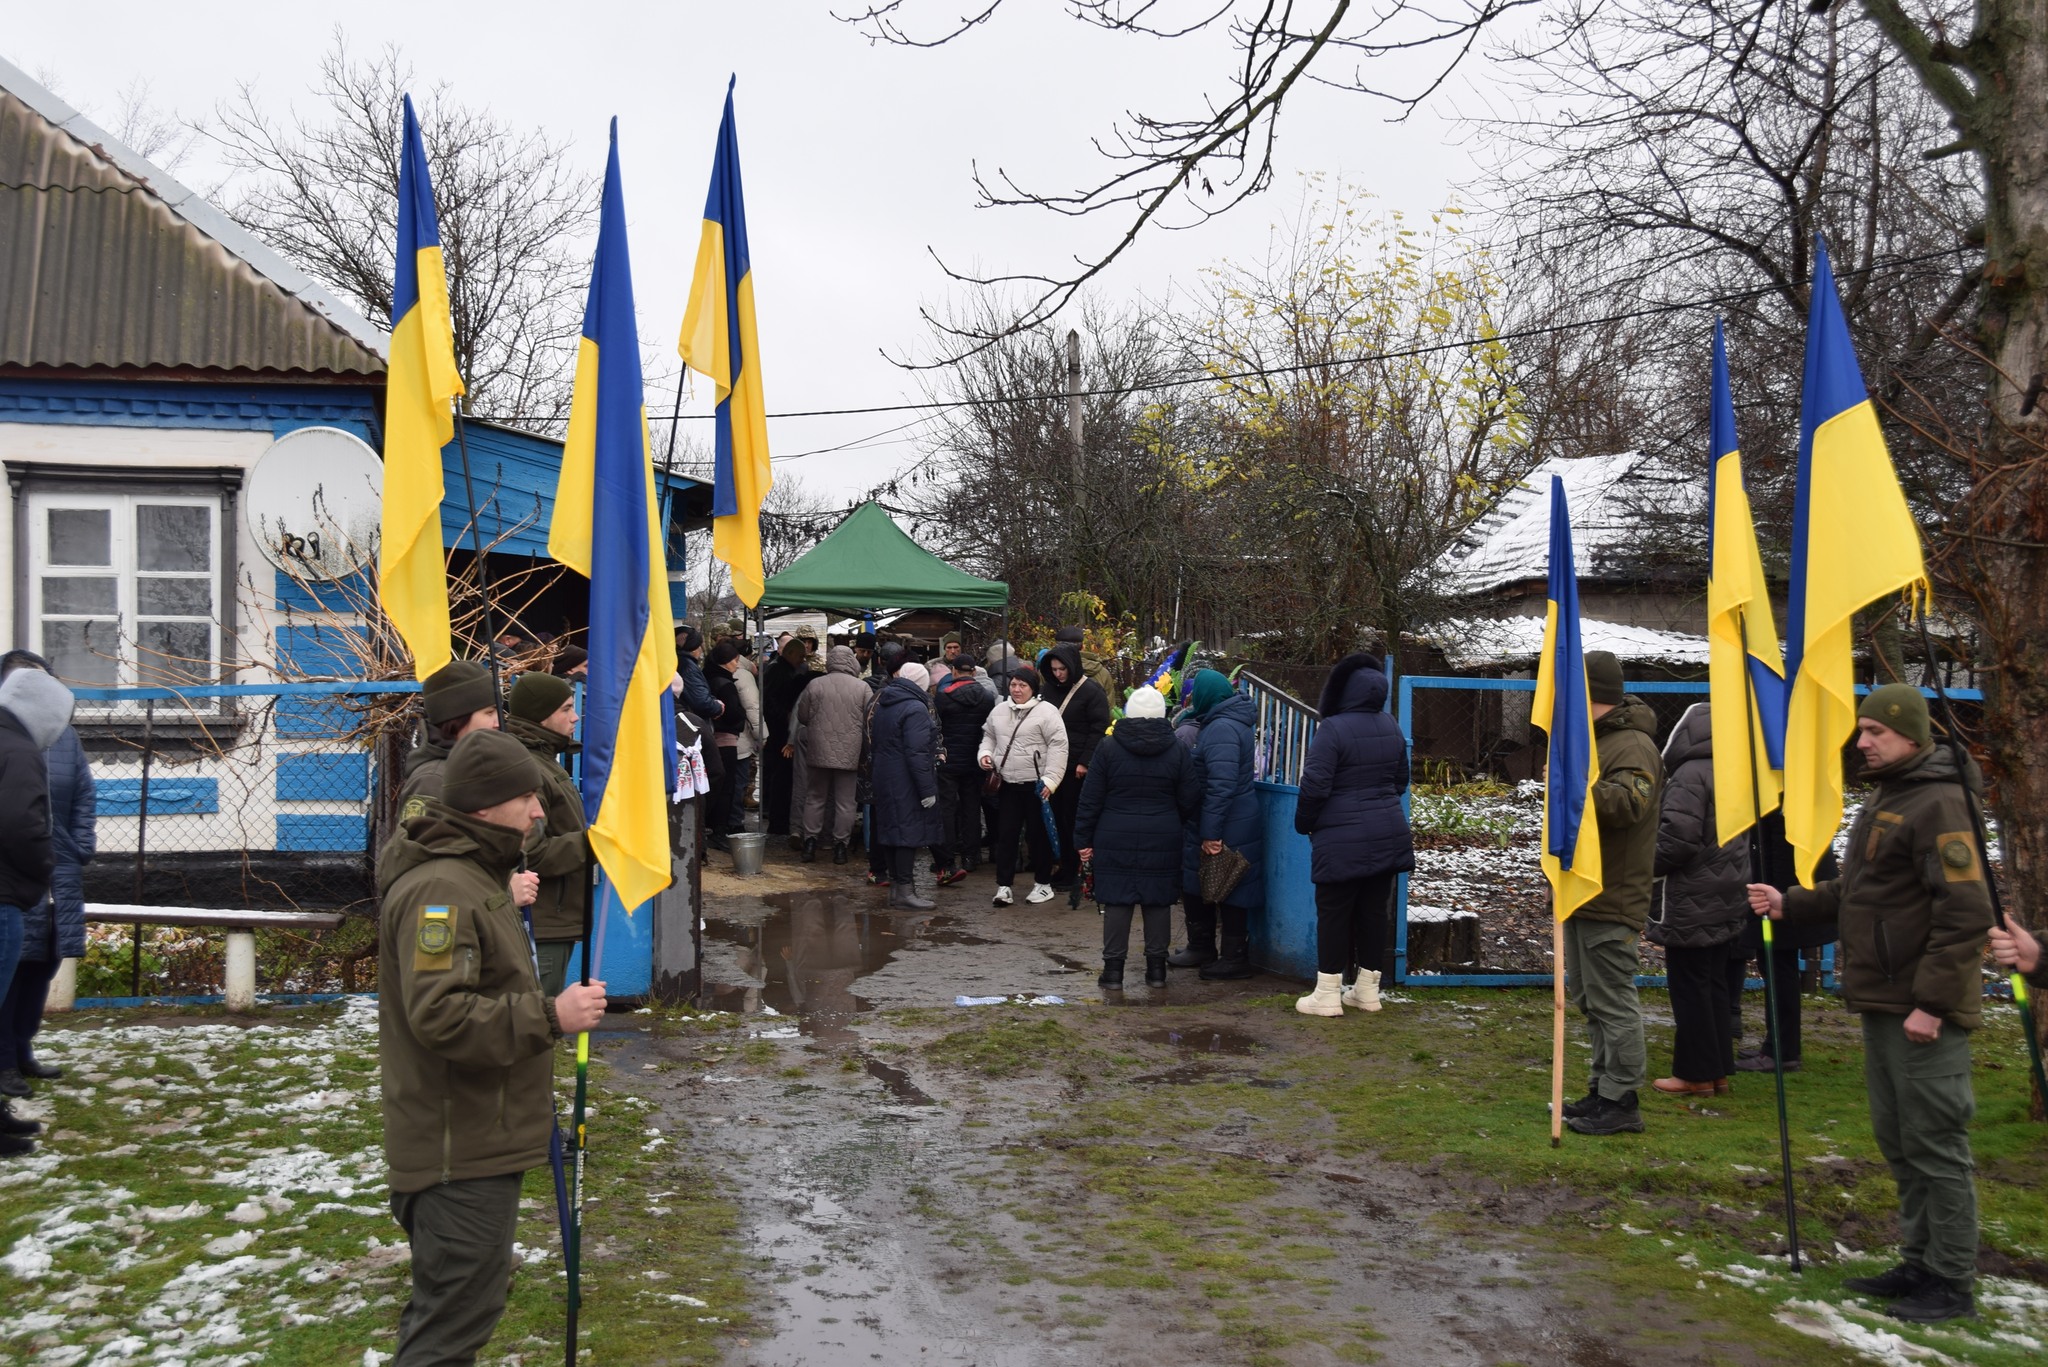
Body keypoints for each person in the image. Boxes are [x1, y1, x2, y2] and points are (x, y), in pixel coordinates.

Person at [1747, 685, 1994, 1325]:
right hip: (1886, 1000)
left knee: (1936, 1142)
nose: (1862, 743)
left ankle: (1952, 1279)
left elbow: (1967, 913)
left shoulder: (1941, 805)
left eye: (1874, 733)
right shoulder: (1893, 796)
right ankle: (1919, 1260)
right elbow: (1861, 888)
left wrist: (1933, 1003)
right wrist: (1790, 903)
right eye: (1860, 731)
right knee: (1900, 1138)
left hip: (1921, 1007)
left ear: (1911, 736)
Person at [377, 729, 608, 1362]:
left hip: (478, 1138)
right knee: (450, 1327)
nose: (539, 811)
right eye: (526, 797)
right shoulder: (442, 890)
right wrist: (550, 1016)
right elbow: (442, 1016)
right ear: (485, 805)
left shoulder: (477, 876)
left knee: (458, 1311)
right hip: (457, 1150)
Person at [1560, 651, 1664, 1137]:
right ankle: (1602, 1089)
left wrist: (1574, 786)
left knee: (1612, 1000)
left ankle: (1621, 1098)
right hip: (1586, 890)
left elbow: (1628, 805)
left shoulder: (1632, 745)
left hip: (1613, 894)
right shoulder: (1598, 740)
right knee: (1590, 996)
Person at [1291, 654, 1413, 1016]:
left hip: (1341, 839)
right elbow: (1400, 781)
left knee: (1334, 912)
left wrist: (1304, 823)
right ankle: (1367, 992)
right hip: (1387, 832)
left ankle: (1327, 993)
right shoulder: (1390, 725)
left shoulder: (1333, 728)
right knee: (1374, 913)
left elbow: (1314, 785)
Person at [0, 652, 91, 1107]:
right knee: (10, 967)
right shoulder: (11, 742)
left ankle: (23, 1048)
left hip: (59, 873)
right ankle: (4, 1063)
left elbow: (84, 797)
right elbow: (16, 818)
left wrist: (79, 848)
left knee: (44, 963)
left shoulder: (64, 739)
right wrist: (35, 863)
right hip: (19, 875)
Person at [1646, 702, 1746, 1096]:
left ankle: (1694, 1073)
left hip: (1691, 895)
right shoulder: (1735, 772)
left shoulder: (1689, 774)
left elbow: (1677, 839)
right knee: (1715, 982)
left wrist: (1643, 866)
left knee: (1689, 986)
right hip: (1726, 892)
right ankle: (1718, 1068)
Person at [1075, 686, 1201, 988]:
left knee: (1117, 900)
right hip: (1164, 834)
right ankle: (1157, 971)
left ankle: (1114, 972)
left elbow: (1090, 799)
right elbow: (1191, 799)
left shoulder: (1107, 748)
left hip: (1113, 834)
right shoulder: (1177, 749)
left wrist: (1082, 839)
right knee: (1158, 901)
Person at [1731, 810, 1838, 1074]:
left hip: (1782, 889)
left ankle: (1782, 1050)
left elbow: (1779, 841)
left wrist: (1775, 891)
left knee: (1778, 966)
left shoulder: (1782, 793)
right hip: (1784, 886)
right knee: (1775, 965)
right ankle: (1777, 1044)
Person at [503, 673, 589, 996]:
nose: (575, 716)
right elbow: (531, 853)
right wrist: (593, 842)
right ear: (542, 715)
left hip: (553, 917)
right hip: (541, 919)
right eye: (567, 708)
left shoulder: (545, 760)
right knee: (537, 1022)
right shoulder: (531, 767)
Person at [1177, 670, 1267, 980]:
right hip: (1231, 817)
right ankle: (1204, 948)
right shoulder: (1224, 722)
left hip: (1228, 822)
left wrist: (1210, 833)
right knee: (1211, 882)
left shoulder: (1221, 728)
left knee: (1231, 886)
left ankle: (1233, 959)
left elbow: (1221, 785)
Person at [977, 665, 1068, 906]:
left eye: (1022, 685)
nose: (1016, 690)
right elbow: (989, 736)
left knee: (1038, 837)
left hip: (1037, 786)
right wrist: (985, 754)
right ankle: (1004, 886)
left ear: (1033, 688)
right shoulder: (999, 711)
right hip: (1008, 784)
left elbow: (1059, 746)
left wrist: (1051, 780)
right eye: (1013, 685)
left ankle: (1043, 883)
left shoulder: (1048, 712)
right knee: (1006, 836)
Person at [869, 662, 945, 909]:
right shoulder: (915, 708)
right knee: (907, 834)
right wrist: (927, 790)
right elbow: (918, 753)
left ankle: (896, 890)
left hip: (885, 776)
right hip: (906, 779)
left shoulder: (885, 702)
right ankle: (905, 891)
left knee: (891, 831)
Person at [1042, 643, 1112, 889]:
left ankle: (1074, 870)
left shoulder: (1091, 692)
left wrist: (1085, 761)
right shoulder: (1049, 689)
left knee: (1071, 818)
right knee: (1055, 818)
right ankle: (1061, 864)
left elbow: (1098, 727)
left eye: (1062, 669)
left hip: (1075, 767)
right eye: (1054, 669)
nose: (1058, 674)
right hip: (1051, 764)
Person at [795, 646, 871, 863]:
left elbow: (802, 716)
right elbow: (870, 719)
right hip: (850, 752)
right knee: (846, 802)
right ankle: (840, 847)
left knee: (815, 797)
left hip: (818, 749)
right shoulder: (862, 687)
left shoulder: (815, 684)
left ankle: (809, 843)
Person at [399, 660, 501, 808]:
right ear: (458, 718)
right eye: (489, 712)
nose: (498, 722)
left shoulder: (478, 764)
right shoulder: (432, 780)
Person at [934, 663, 996, 882]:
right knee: (972, 808)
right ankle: (971, 856)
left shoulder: (942, 697)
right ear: (974, 673)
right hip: (975, 760)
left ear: (954, 672)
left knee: (947, 810)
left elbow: (936, 728)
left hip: (949, 762)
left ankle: (947, 858)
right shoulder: (988, 698)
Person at [762, 639, 812, 841]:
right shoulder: (778, 672)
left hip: (781, 731)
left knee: (782, 778)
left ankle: (780, 820)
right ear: (790, 653)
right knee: (781, 779)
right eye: (800, 656)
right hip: (780, 733)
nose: (802, 660)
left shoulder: (783, 670)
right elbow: (770, 701)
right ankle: (778, 821)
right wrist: (786, 715)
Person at [704, 641, 747, 850]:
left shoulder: (706, 677)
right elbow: (733, 713)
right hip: (725, 738)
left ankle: (711, 826)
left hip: (710, 737)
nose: (737, 665)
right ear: (726, 662)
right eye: (735, 661)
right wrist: (742, 717)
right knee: (726, 785)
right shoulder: (726, 684)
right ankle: (719, 830)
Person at [731, 639, 767, 823]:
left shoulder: (718, 670)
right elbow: (753, 707)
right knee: (739, 782)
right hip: (741, 737)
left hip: (728, 737)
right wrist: (763, 735)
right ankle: (735, 824)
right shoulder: (744, 675)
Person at [1055, 624, 1119, 700]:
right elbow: (1109, 706)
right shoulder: (1103, 673)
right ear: (1082, 647)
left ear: (1057, 647)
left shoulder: (1048, 671)